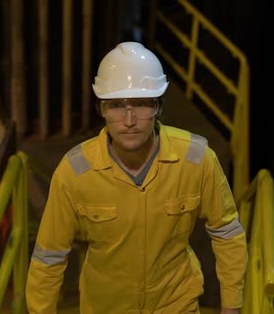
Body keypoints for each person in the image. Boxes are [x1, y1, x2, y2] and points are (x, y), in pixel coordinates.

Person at [26, 41, 247, 313]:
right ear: (102, 110)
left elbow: (227, 233)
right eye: (117, 105)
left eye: (141, 104)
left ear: (158, 107)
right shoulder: (75, 172)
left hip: (176, 304)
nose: (129, 119)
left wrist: (232, 306)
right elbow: (49, 256)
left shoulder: (196, 159)